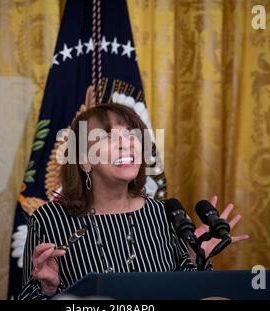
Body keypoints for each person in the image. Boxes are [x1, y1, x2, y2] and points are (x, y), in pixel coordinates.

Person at [18, 103, 248, 300]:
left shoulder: (166, 214)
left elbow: (193, 293)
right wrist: (48, 290)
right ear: (84, 161)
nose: (125, 144)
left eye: (132, 135)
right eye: (108, 137)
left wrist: (195, 258)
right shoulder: (48, 219)